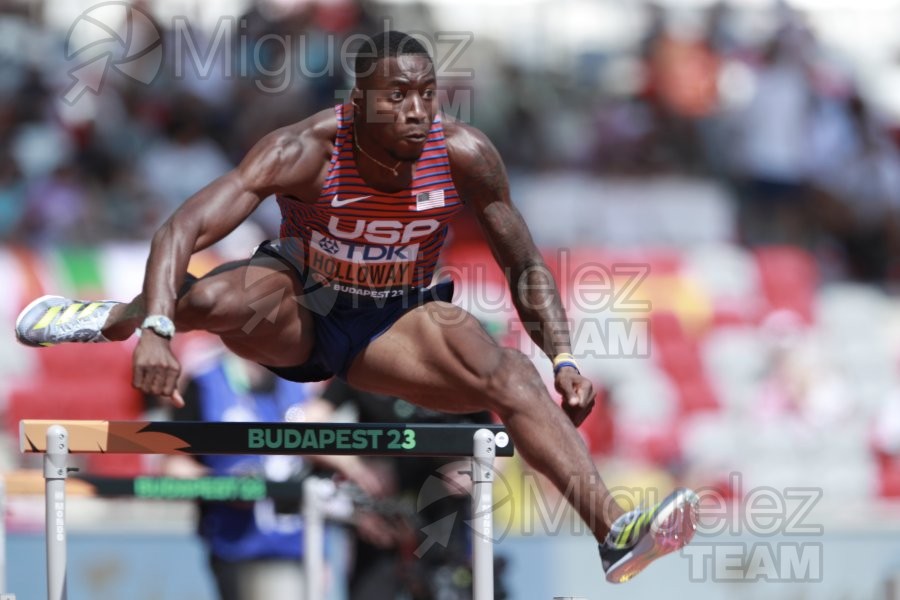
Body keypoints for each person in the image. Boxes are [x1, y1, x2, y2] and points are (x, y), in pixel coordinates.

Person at [15, 30, 698, 584]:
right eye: (397, 95)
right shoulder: (304, 150)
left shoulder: (463, 155)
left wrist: (565, 356)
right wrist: (159, 330)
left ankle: (614, 535)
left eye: (427, 94)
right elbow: (180, 229)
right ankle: (113, 318)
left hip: (394, 322)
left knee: (513, 376)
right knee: (217, 294)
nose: (415, 110)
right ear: (356, 102)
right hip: (302, 309)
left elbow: (523, 263)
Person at [308, 377, 507, 600]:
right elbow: (307, 427)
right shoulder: (360, 363)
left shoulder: (457, 371)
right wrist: (356, 467)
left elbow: (499, 443)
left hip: (442, 529)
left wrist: (476, 471)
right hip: (379, 529)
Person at [159, 350, 311, 600]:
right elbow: (174, 467)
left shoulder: (303, 381)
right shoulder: (204, 383)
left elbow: (323, 456)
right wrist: (225, 487)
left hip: (298, 545)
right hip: (231, 544)